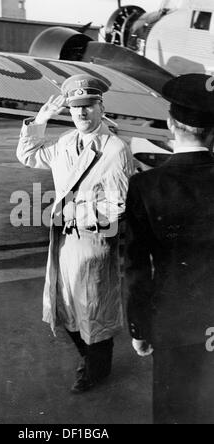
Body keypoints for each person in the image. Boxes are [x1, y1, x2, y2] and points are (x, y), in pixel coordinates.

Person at [17, 74, 134, 393]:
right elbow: (29, 156)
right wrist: (41, 119)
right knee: (65, 304)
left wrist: (75, 210)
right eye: (74, 108)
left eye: (88, 106)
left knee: (94, 308)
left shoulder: (115, 149)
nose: (81, 113)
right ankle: (90, 358)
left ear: (101, 107)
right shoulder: (66, 142)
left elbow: (116, 206)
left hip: (94, 238)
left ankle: (96, 369)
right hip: (64, 240)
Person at [125, 73, 214, 423]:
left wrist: (140, 329)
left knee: (177, 410)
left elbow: (135, 267)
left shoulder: (144, 186)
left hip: (174, 323)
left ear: (169, 123)